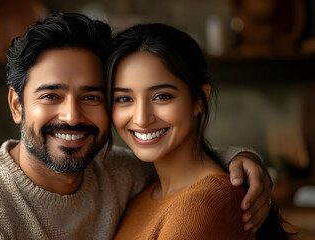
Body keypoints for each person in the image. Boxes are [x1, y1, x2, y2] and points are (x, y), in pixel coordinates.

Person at [0, 13, 272, 239]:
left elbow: (185, 174)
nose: (72, 116)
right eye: (51, 96)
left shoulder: (119, 174)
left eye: (91, 97)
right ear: (16, 105)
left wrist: (241, 163)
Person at [107, 23, 293, 239]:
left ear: (200, 100)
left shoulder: (200, 205)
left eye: (161, 96)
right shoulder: (140, 195)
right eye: (124, 99)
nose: (141, 118)